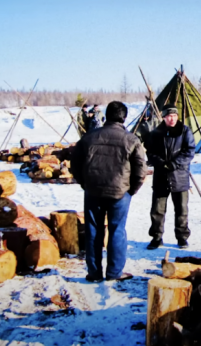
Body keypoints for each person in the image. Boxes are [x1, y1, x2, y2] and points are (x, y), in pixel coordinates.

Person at [71, 101, 147, 282]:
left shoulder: (89, 137)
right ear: (124, 117)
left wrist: (85, 184)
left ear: (107, 115)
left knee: (93, 231)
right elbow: (140, 170)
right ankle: (114, 273)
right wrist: (130, 190)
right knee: (117, 230)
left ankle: (94, 273)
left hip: (94, 191)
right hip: (119, 193)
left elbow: (75, 164)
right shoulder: (131, 139)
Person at [146, 104, 195, 250]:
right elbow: (150, 153)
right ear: (164, 117)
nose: (172, 119)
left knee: (181, 209)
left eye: (174, 116)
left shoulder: (185, 131)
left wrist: (175, 164)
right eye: (169, 116)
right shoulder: (156, 133)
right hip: (161, 176)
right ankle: (156, 237)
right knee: (157, 210)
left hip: (179, 176)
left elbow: (189, 151)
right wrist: (160, 163)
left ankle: (182, 237)